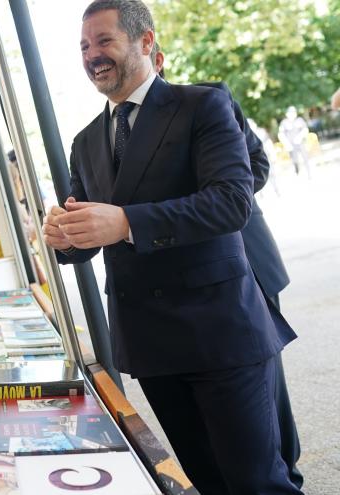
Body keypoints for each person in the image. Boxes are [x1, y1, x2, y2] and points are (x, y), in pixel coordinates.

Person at [43, 2, 300, 493]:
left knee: (258, 481)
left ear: (146, 42)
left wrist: (124, 221)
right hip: (150, 344)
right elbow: (85, 237)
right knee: (207, 481)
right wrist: (64, 237)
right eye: (83, 46)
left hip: (220, 331)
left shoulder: (201, 105)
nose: (92, 55)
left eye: (103, 41)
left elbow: (230, 202)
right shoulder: (84, 142)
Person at [154, 47, 302, 487]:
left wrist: (211, 196)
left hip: (248, 258)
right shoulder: (128, 135)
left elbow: (255, 167)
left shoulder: (210, 100)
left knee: (267, 386)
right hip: (200, 272)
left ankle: (286, 471)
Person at [278, 106, 312, 178]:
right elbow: (281, 134)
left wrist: (300, 137)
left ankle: (309, 173)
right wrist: (286, 143)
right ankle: (297, 172)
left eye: (293, 113)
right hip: (290, 144)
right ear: (287, 114)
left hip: (300, 143)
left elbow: (305, 129)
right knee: (295, 160)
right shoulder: (284, 123)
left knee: (305, 158)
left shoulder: (300, 120)